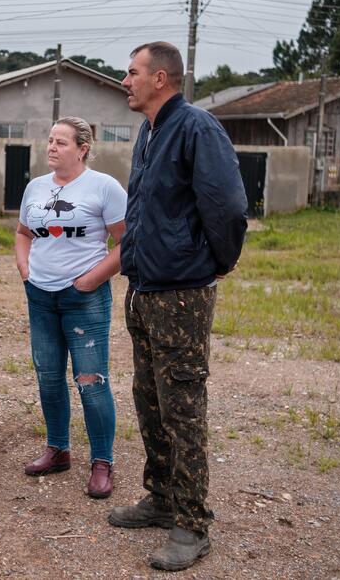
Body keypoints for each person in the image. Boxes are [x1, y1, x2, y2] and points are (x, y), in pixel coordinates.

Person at [109, 42, 247, 571]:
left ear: (160, 78)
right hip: (145, 288)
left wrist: (215, 262)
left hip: (181, 294)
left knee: (183, 406)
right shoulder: (150, 131)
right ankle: (162, 499)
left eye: (132, 72)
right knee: (150, 398)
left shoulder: (196, 127)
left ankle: (192, 524)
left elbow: (228, 206)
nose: (125, 80)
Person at [15, 117, 127, 499]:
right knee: (48, 376)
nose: (51, 147)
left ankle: (102, 462)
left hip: (84, 299)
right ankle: (58, 449)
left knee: (91, 382)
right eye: (49, 140)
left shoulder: (104, 187)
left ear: (82, 148)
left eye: (61, 142)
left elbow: (128, 243)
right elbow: (23, 233)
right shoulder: (35, 187)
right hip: (41, 296)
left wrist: (91, 280)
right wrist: (25, 268)